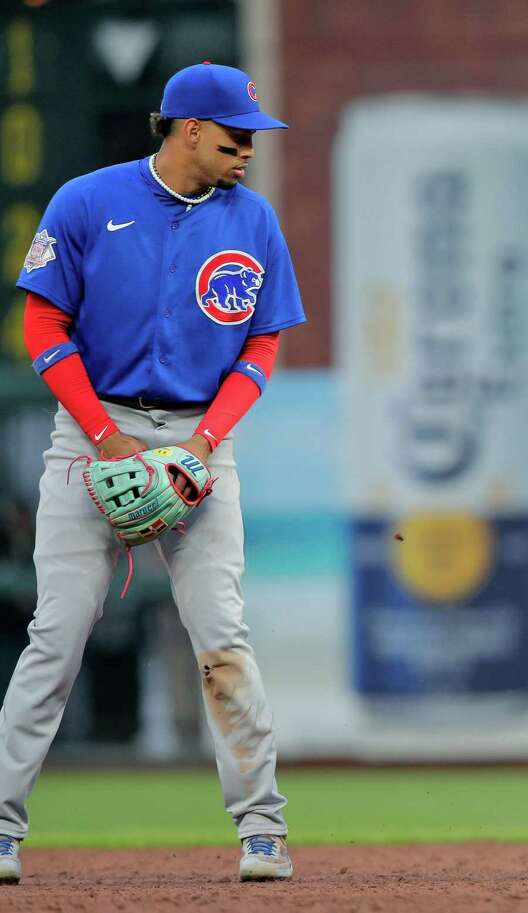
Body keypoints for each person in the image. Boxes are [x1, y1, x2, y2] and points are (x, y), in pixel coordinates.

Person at [0, 62, 304, 883]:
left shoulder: (254, 221)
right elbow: (41, 321)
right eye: (238, 135)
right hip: (93, 432)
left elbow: (262, 345)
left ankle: (263, 829)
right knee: (55, 639)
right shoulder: (89, 201)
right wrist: (103, 435)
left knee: (223, 639)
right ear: (190, 129)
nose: (250, 149)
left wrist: (204, 445)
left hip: (202, 442)